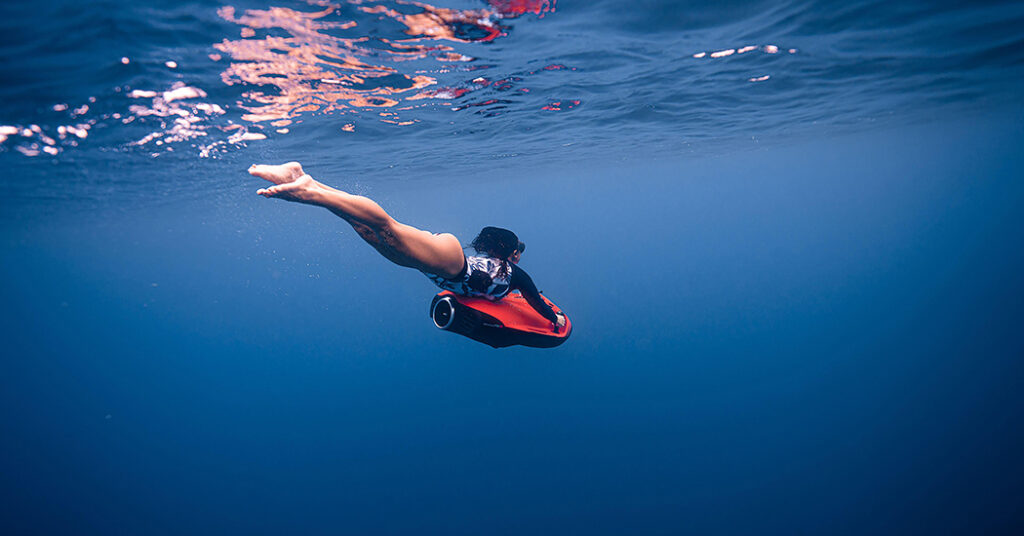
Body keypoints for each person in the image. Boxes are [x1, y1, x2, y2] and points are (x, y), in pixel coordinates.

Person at [249, 162, 566, 332]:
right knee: (386, 227)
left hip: (439, 269)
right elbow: (536, 302)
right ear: (510, 251)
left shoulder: (501, 270)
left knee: (367, 231)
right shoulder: (517, 275)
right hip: (451, 263)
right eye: (518, 249)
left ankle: (305, 179)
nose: (521, 255)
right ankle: (310, 192)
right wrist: (556, 320)